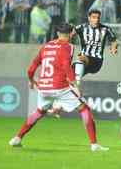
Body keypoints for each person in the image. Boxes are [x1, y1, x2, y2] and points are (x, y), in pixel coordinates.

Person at [9, 23, 109, 152]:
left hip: (43, 87)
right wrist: (75, 85)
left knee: (39, 112)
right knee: (84, 109)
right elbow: (66, 66)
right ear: (72, 33)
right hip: (59, 86)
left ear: (57, 33)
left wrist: (31, 80)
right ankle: (94, 145)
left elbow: (32, 67)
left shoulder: (46, 46)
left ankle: (17, 138)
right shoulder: (68, 46)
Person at [73, 9, 118, 86]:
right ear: (89, 18)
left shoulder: (105, 29)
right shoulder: (82, 27)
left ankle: (76, 85)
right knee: (70, 73)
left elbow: (114, 41)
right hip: (83, 61)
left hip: (96, 61)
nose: (96, 20)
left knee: (81, 58)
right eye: (94, 17)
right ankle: (72, 87)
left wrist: (114, 48)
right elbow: (71, 33)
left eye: (98, 18)